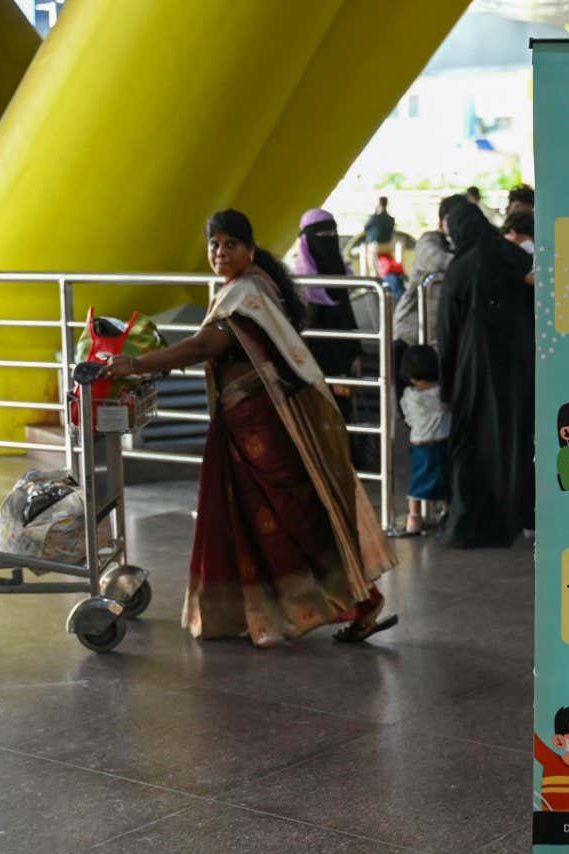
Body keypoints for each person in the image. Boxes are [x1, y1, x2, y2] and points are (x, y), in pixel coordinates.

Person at [99, 209, 397, 645]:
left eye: (230, 244)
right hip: (247, 421)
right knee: (258, 519)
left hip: (259, 427)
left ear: (250, 248)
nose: (220, 252)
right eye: (214, 244)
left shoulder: (245, 294)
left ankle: (358, 600)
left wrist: (135, 363)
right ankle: (263, 612)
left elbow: (204, 345)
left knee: (287, 517)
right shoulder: (249, 286)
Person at [436, 200, 535, 547]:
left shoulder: (461, 268)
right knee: (514, 441)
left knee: (472, 444)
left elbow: (447, 330)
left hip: (474, 369)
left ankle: (472, 523)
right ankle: (518, 515)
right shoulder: (512, 255)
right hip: (519, 367)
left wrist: (446, 383)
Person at [293, 208, 362, 420]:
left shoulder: (339, 273)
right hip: (320, 372)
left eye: (333, 235)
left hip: (344, 366)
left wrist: (356, 352)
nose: (329, 241)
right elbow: (313, 333)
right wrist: (335, 374)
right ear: (307, 240)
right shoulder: (302, 285)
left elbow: (345, 314)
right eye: (322, 236)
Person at [392, 193, 465, 346]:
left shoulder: (465, 245)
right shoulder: (430, 240)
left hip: (440, 334)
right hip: (412, 331)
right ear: (442, 221)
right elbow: (434, 260)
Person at [399, 344, 449, 535]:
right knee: (446, 482)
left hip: (419, 445)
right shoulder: (443, 394)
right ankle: (446, 513)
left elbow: (408, 418)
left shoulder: (409, 395)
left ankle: (414, 518)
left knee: (417, 483)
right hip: (443, 444)